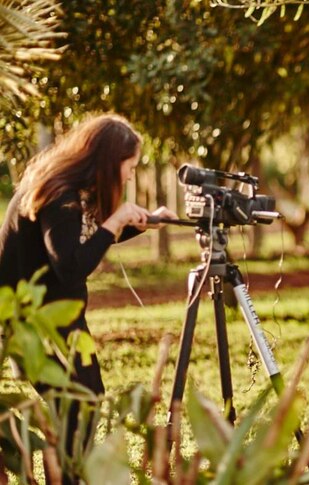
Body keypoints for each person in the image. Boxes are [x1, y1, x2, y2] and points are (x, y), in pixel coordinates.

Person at [0, 113, 177, 481]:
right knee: (78, 406)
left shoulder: (66, 189)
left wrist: (141, 222)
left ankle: (69, 475)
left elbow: (82, 240)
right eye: (129, 167)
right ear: (108, 162)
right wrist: (116, 222)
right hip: (36, 325)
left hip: (53, 319)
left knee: (85, 401)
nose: (130, 175)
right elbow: (71, 265)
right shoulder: (60, 196)